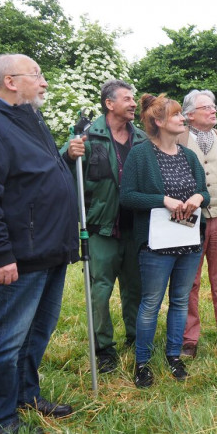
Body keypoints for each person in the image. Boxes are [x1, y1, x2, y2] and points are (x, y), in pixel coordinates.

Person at [0, 54, 78, 433]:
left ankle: (25, 394)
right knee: (5, 341)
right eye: (37, 75)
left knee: (35, 334)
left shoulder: (27, 118)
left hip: (48, 250)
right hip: (17, 257)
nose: (44, 82)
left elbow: (37, 179)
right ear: (10, 81)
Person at [120, 94, 209, 388]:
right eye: (175, 116)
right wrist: (162, 200)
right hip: (156, 245)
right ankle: (142, 362)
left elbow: (204, 193)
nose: (182, 119)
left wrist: (198, 197)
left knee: (180, 300)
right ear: (158, 122)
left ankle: (174, 356)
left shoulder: (189, 156)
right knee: (151, 303)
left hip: (188, 241)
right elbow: (128, 197)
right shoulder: (140, 154)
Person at [62, 80, 147, 374]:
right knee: (99, 292)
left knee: (135, 289)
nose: (134, 103)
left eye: (133, 98)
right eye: (127, 98)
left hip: (136, 229)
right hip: (100, 229)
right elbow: (58, 170)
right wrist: (69, 156)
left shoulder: (141, 139)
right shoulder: (86, 136)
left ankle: (138, 340)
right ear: (109, 104)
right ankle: (104, 349)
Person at [178, 90, 217, 358]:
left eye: (214, 106)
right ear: (189, 114)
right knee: (189, 282)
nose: (213, 110)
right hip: (186, 222)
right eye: (206, 107)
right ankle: (188, 339)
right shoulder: (176, 138)